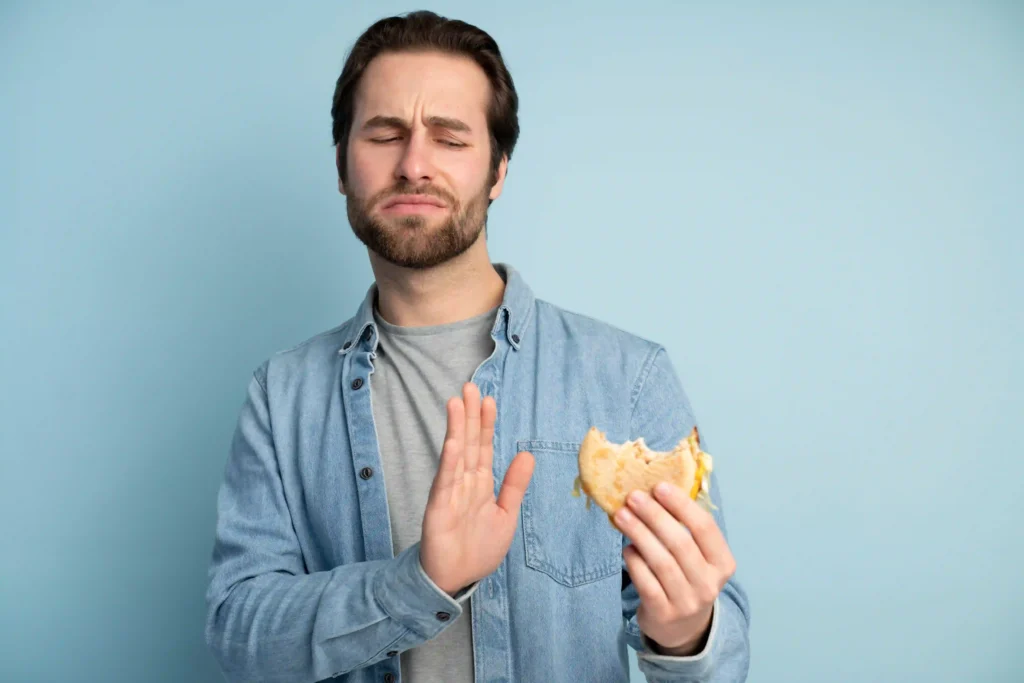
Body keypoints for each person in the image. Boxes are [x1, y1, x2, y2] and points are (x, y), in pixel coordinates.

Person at [204, 10, 750, 683]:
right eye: (384, 134)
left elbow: (724, 660)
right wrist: (419, 581)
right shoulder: (281, 395)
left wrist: (685, 633)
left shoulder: (629, 377)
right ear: (343, 166)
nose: (413, 165)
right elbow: (238, 637)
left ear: (497, 171)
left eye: (449, 138)